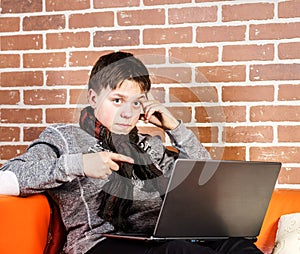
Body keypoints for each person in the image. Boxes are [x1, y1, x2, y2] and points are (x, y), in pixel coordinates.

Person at [0, 51, 263, 254]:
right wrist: (78, 164)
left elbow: (201, 181)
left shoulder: (150, 146)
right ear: (93, 98)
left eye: (136, 102)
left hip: (158, 239)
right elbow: (6, 178)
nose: (128, 113)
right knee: (179, 252)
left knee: (236, 246)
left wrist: (176, 129)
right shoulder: (64, 138)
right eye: (117, 100)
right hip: (98, 244)